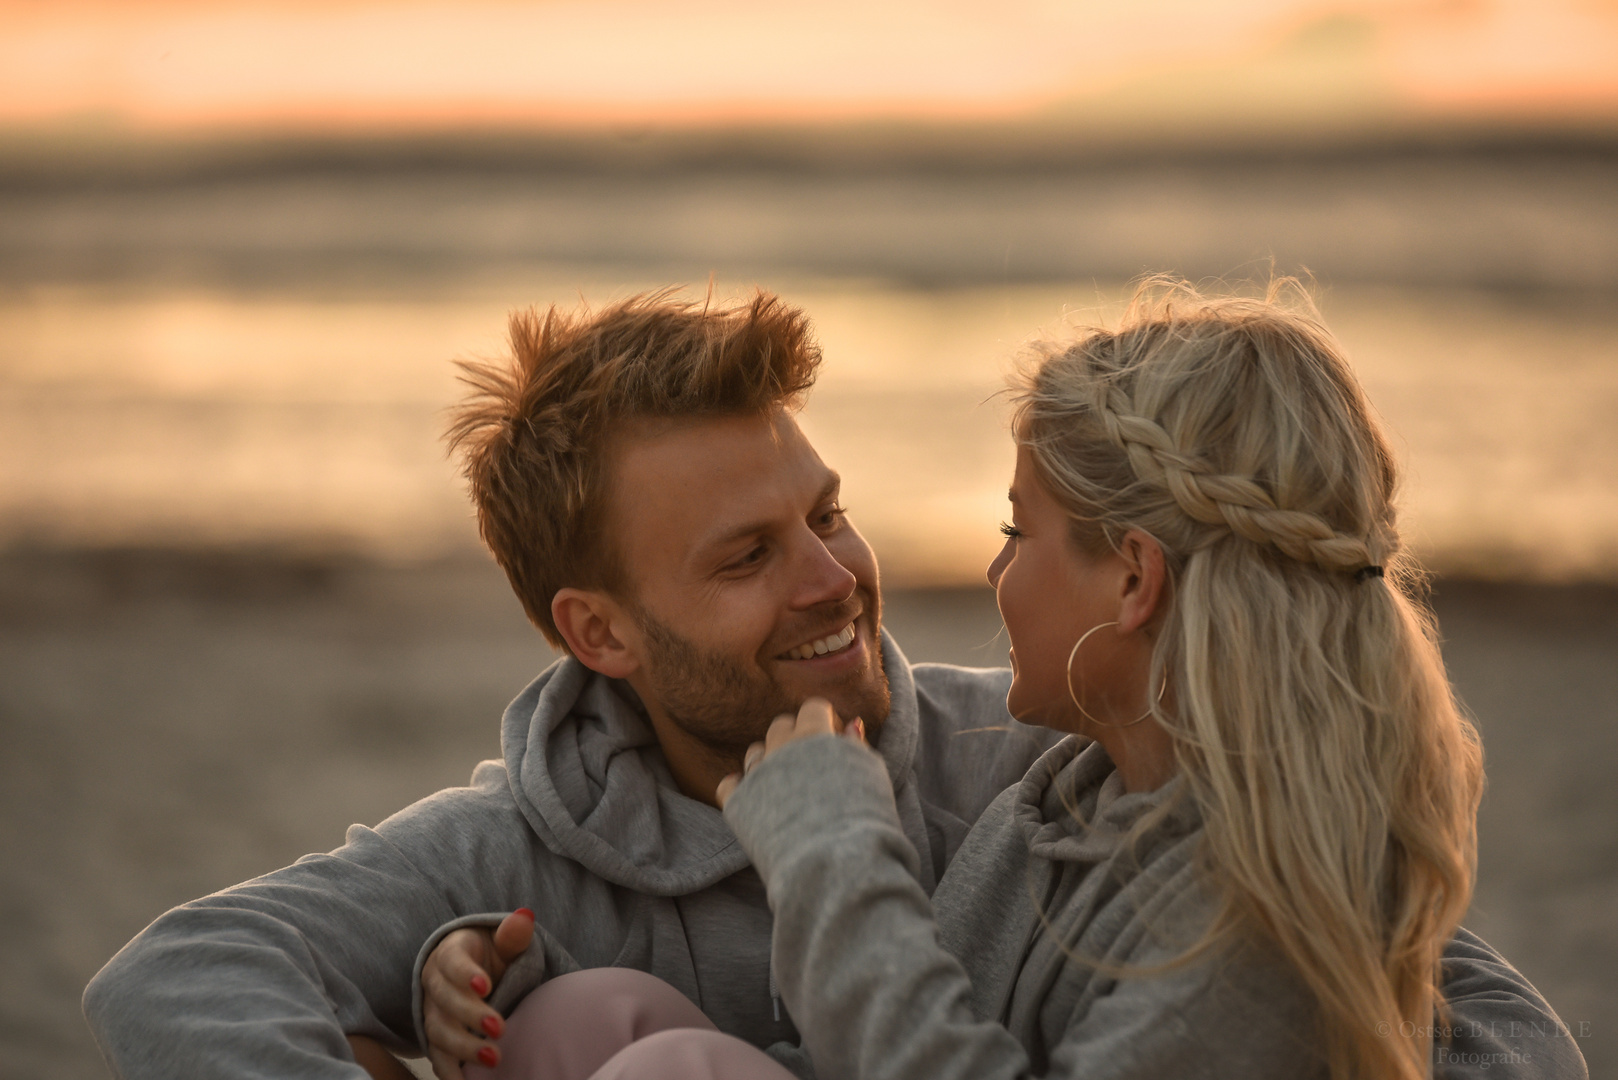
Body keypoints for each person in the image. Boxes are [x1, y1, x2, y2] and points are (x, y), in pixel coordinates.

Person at [84, 288, 1574, 1080]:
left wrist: (834, 851)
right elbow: (173, 980)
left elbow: (1428, 982)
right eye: (747, 556)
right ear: (599, 633)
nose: (833, 580)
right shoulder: (523, 846)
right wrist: (461, 989)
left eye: (826, 513)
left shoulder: (1030, 760)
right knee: (585, 1006)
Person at [712, 283, 1589, 1080]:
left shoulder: (1256, 920)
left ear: (1134, 579)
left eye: (1018, 530)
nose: (993, 569)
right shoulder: (1063, 804)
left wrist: (829, 852)